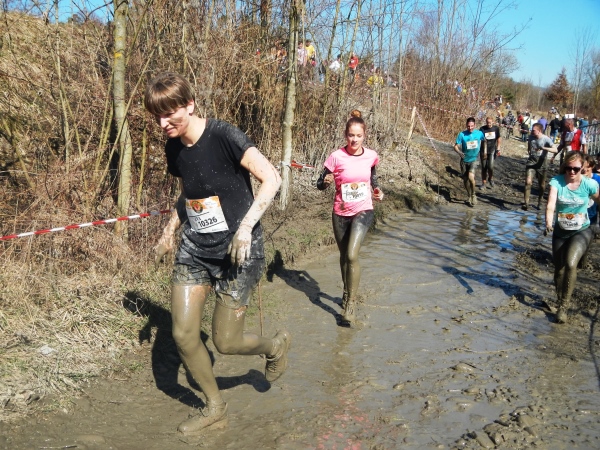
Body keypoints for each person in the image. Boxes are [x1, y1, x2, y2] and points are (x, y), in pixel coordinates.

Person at [144, 72, 291, 435]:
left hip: (238, 250)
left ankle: (274, 346)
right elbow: (189, 194)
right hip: (195, 249)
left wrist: (245, 228)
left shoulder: (224, 135)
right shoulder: (173, 147)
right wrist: (168, 232)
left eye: (169, 115)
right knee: (183, 335)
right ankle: (215, 407)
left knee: (225, 342)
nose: (163, 124)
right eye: (157, 117)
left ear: (189, 105)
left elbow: (271, 178)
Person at [316, 110, 383, 325]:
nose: (354, 139)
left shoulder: (371, 156)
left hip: (363, 209)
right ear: (346, 135)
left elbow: (373, 178)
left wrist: (377, 190)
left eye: (359, 135)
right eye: (351, 135)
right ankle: (346, 292)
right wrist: (325, 182)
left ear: (365, 135)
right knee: (344, 256)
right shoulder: (336, 156)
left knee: (352, 255)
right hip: (340, 211)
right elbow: (320, 182)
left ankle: (351, 304)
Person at [546, 151, 599, 323]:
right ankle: (560, 298)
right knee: (559, 268)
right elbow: (551, 204)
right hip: (560, 231)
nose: (572, 172)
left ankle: (563, 307)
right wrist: (548, 222)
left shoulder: (589, 184)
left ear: (582, 167)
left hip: (581, 230)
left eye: (576, 169)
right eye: (568, 168)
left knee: (570, 263)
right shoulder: (557, 182)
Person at [523, 123, 558, 210]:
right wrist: (530, 153)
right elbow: (529, 146)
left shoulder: (546, 139)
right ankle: (526, 203)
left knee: (541, 185)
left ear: (539, 131)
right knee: (528, 182)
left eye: (533, 130)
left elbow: (555, 150)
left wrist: (545, 148)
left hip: (542, 163)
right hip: (531, 162)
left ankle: (540, 201)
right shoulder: (531, 137)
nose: (531, 131)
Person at [454, 117, 485, 207]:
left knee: (471, 177)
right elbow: (455, 146)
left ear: (475, 125)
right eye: (468, 126)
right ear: (466, 125)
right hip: (464, 160)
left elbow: (484, 141)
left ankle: (473, 195)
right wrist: (459, 152)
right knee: (465, 180)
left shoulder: (479, 133)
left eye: (472, 126)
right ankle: (469, 195)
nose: (470, 128)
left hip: (474, 159)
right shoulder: (462, 134)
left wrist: (485, 151)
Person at [479, 116, 502, 189]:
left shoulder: (496, 129)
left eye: (490, 122)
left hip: (492, 150)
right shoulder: (482, 129)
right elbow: (479, 139)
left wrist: (498, 148)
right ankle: (483, 183)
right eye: (487, 122)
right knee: (484, 167)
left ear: (493, 122)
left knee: (490, 166)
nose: (488, 124)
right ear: (486, 122)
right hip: (484, 151)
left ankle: (490, 178)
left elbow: (498, 138)